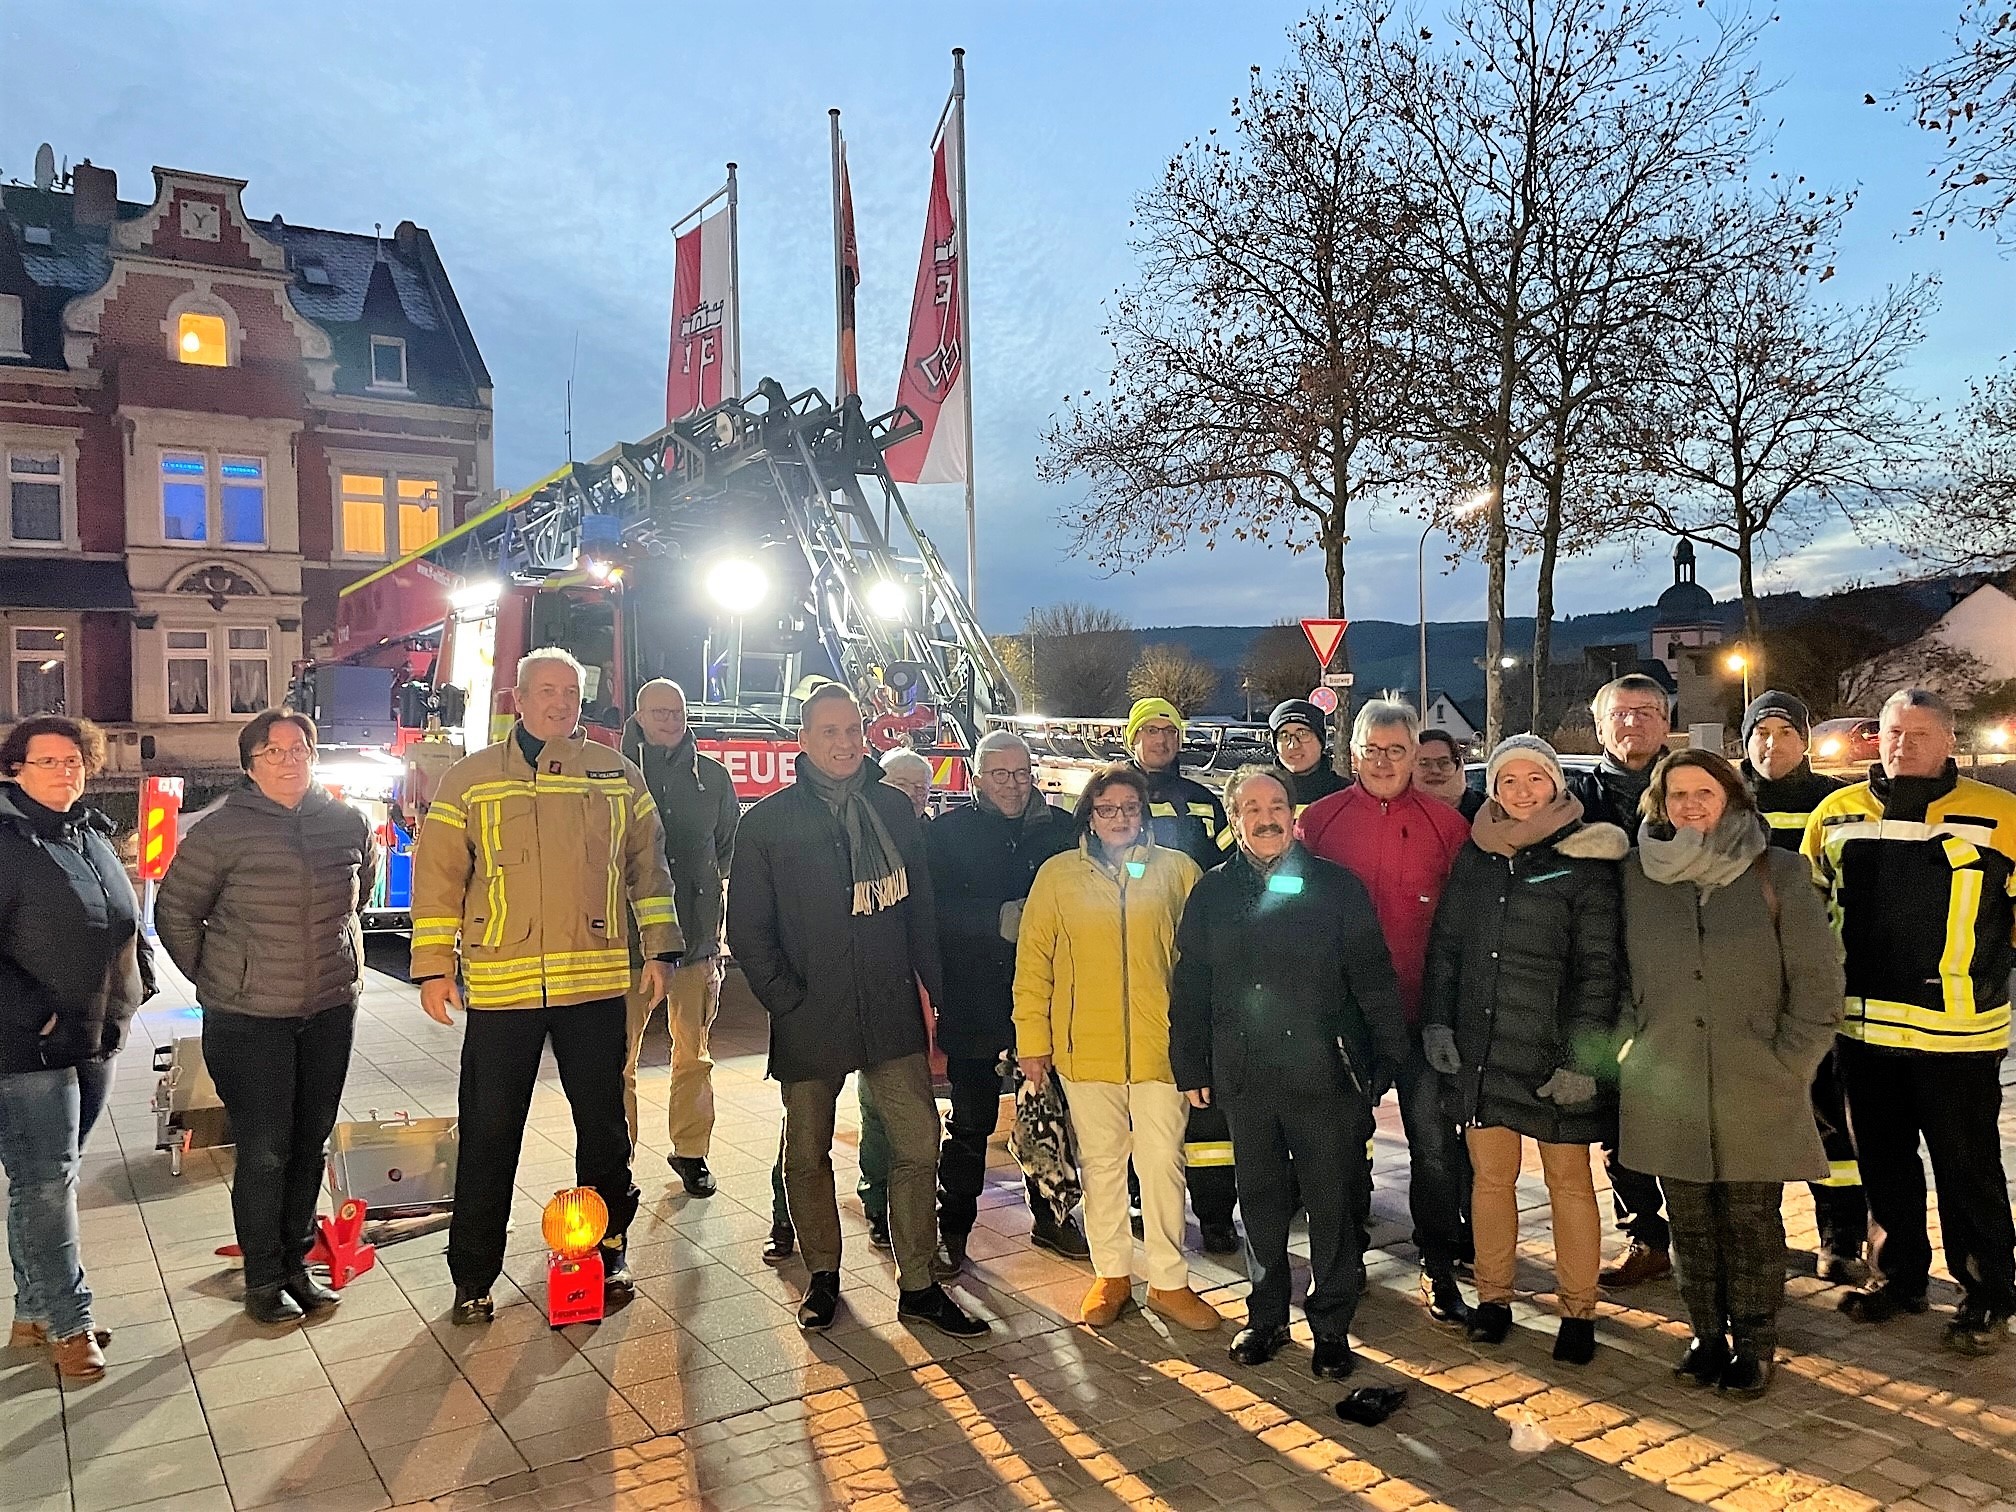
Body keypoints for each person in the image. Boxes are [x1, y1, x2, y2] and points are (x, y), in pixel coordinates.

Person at [410, 647, 681, 1324]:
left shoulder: (617, 776)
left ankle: (607, 1248)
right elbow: (440, 876)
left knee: (604, 1130)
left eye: (571, 692)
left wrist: (662, 949)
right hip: (503, 994)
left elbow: (650, 870)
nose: (561, 703)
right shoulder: (471, 780)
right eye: (547, 691)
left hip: (592, 986)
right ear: (517, 700)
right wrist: (435, 965)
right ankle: (473, 1275)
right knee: (490, 1131)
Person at [728, 683, 987, 1339]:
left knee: (917, 1144)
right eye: (830, 732)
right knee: (807, 1153)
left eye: (853, 731)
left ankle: (919, 1284)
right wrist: (787, 999)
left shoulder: (893, 811)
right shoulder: (767, 823)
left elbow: (919, 910)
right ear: (805, 740)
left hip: (888, 1010)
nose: (845, 743)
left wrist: (938, 995)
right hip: (811, 1014)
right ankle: (822, 1277)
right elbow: (749, 930)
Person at [1621, 751, 1845, 1396]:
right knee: (1688, 1218)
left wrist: (1790, 1064)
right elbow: (1619, 974)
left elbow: (1818, 983)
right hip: (1670, 1075)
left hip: (1757, 1076)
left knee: (1750, 1219)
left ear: (1733, 800)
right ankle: (1705, 1334)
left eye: (1705, 793)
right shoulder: (1639, 875)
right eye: (1677, 795)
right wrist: (1632, 1048)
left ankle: (1754, 1339)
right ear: (1659, 805)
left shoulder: (1778, 871)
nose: (1691, 806)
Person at [1172, 767, 1409, 1375]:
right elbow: (1192, 982)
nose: (1266, 815)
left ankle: (1331, 1324)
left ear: (1294, 814)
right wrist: (1190, 1062)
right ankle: (1266, 1316)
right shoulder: (1212, 892)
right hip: (1245, 1074)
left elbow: (1372, 974)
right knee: (1261, 1201)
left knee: (1330, 1203)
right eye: (1252, 807)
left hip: (1321, 1072)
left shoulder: (1335, 886)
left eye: (1276, 803)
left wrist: (1386, 1058)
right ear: (1234, 819)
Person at [1805, 687, 2016, 1355]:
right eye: (1894, 732)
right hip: (1863, 1034)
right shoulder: (1836, 814)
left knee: (1968, 1170)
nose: (1903, 744)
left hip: (1958, 1036)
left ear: (1950, 741)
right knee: (1884, 1166)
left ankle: (1987, 1295)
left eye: (1921, 734)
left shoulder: (1999, 815)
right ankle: (1900, 1280)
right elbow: (1811, 913)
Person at [156, 710, 377, 1326]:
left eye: (299, 748)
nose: (288, 759)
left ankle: (296, 1266)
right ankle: (261, 1280)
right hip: (249, 1019)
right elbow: (175, 914)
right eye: (272, 751)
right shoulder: (220, 832)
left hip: (330, 1010)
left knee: (309, 1145)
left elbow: (357, 900)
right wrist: (221, 979)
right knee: (266, 1151)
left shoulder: (346, 822)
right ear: (250, 763)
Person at [1423, 734, 1626, 1364]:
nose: (1520, 792)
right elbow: (1448, 949)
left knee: (1569, 1183)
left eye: (1533, 779)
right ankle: (1494, 1298)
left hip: (1552, 1055)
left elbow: (1601, 970)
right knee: (1491, 1180)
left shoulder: (1587, 860)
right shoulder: (1476, 858)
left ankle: (1578, 1308)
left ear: (1556, 784)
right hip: (1484, 1048)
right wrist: (1438, 1022)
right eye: (1507, 781)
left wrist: (1581, 1061)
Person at [1013, 764, 1218, 1332]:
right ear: (1090, 816)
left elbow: (1201, 967)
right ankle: (1113, 1275)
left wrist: (1201, 1043)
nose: (1120, 818)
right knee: (1102, 1167)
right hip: (1085, 1051)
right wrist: (1034, 1042)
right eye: (1107, 809)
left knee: (1163, 1166)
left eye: (1130, 807)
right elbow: (1034, 966)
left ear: (1144, 812)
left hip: (1161, 1050)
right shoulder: (1057, 877)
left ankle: (1171, 1283)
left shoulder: (1178, 872)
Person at [1298, 701, 1473, 1326]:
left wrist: (1449, 1012)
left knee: (1432, 1144)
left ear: (1413, 757)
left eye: (1396, 751)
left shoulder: (1444, 827)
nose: (1383, 761)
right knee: (1341, 1144)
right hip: (1343, 1018)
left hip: (1421, 1013)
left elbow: (1460, 930)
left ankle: (1439, 1265)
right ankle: (1343, 1261)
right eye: (1372, 749)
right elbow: (1288, 908)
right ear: (1352, 754)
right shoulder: (1318, 822)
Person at [0, 717, 152, 1382]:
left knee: (46, 1182)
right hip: (29, 1048)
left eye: (73, 760)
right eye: (48, 761)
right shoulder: (7, 840)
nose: (65, 772)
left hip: (98, 1032)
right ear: (16, 769)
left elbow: (123, 918)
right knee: (46, 1184)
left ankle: (31, 1312)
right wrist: (35, 1015)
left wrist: (140, 972)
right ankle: (70, 1323)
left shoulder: (89, 831)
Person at [925, 730, 1085, 1274]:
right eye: (1000, 774)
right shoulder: (947, 835)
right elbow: (933, 911)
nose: (1014, 785)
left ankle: (1052, 1214)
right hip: (976, 999)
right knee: (970, 1121)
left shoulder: (1061, 831)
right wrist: (995, 920)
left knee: (1048, 1114)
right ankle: (953, 1229)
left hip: (1047, 1001)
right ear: (976, 778)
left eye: (1021, 774)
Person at [1737, 689, 1864, 1283]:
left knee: (1828, 1118)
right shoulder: (1725, 799)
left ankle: (1842, 1239)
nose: (1772, 744)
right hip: (1743, 990)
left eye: (1785, 733)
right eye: (1761, 734)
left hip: (1811, 988)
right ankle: (1762, 1238)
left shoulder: (1833, 804)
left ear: (1806, 741)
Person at [1568, 674, 1674, 1288]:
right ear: (1599, 723)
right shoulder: (1578, 793)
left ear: (1666, 720)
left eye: (1646, 712)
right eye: (1620, 714)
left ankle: (1700, 1229)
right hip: (1602, 975)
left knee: (1681, 1107)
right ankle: (1645, 1234)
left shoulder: (1689, 782)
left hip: (1678, 974)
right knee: (1615, 1118)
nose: (1632, 724)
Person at [1123, 697, 1239, 1253]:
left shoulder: (1203, 800)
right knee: (1138, 1092)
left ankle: (1216, 1214)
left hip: (1203, 955)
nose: (1161, 740)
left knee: (1207, 1105)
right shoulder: (1116, 798)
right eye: (1150, 731)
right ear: (1133, 739)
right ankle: (1140, 1201)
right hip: (1137, 959)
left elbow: (1226, 868)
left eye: (1170, 731)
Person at [619, 679, 739, 1199]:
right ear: (639, 717)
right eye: (658, 711)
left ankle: (691, 1153)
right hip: (625, 947)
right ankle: (617, 1160)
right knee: (617, 1061)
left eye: (677, 711)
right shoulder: (611, 775)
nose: (669, 719)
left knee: (694, 1054)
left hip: (693, 946)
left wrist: (710, 916)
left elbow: (728, 848)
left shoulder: (711, 778)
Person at [1267, 699, 1349, 810]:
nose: (1293, 745)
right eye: (1284, 736)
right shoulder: (1258, 794)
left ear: (1321, 741)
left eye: (1302, 734)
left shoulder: (1347, 797)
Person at [1416, 729, 1484, 820]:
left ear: (1458, 765)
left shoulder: (1487, 813)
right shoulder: (1396, 815)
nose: (1435, 770)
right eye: (1424, 763)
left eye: (1444, 762)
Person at [880, 748, 935, 818]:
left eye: (920, 788)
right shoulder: (864, 824)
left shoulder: (932, 828)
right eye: (901, 785)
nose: (911, 793)